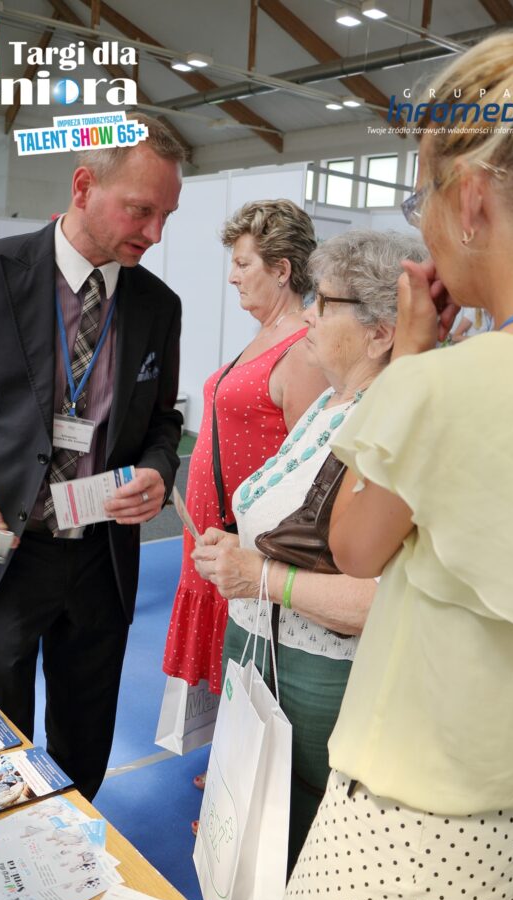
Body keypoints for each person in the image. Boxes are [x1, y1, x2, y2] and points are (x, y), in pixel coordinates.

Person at [261, 9, 513, 900]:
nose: (426, 227)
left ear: (473, 199)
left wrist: (409, 358)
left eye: (423, 198)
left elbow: (354, 545)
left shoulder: (441, 386)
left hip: (408, 837)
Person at [0, 115, 185, 800]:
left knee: (84, 748)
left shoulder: (158, 305)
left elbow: (162, 421)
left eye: (166, 215)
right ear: (83, 187)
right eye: (141, 210)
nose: (155, 233)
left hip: (100, 560)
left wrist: (159, 468)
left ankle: (74, 850)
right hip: (2, 551)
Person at [194, 230, 427, 870]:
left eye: (324, 303)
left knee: (304, 850)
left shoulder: (388, 425)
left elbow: (379, 600)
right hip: (266, 656)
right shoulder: (330, 401)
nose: (307, 315)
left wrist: (261, 574)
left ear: (380, 334)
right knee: (256, 840)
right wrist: (244, 549)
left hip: (316, 675)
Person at [161, 200, 325, 797]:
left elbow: (309, 463)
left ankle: (250, 790)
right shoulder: (266, 338)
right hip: (220, 533)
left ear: (282, 270)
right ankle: (237, 771)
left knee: (257, 662)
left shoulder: (302, 348)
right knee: (237, 661)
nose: (232, 276)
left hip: (249, 540)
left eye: (243, 263)